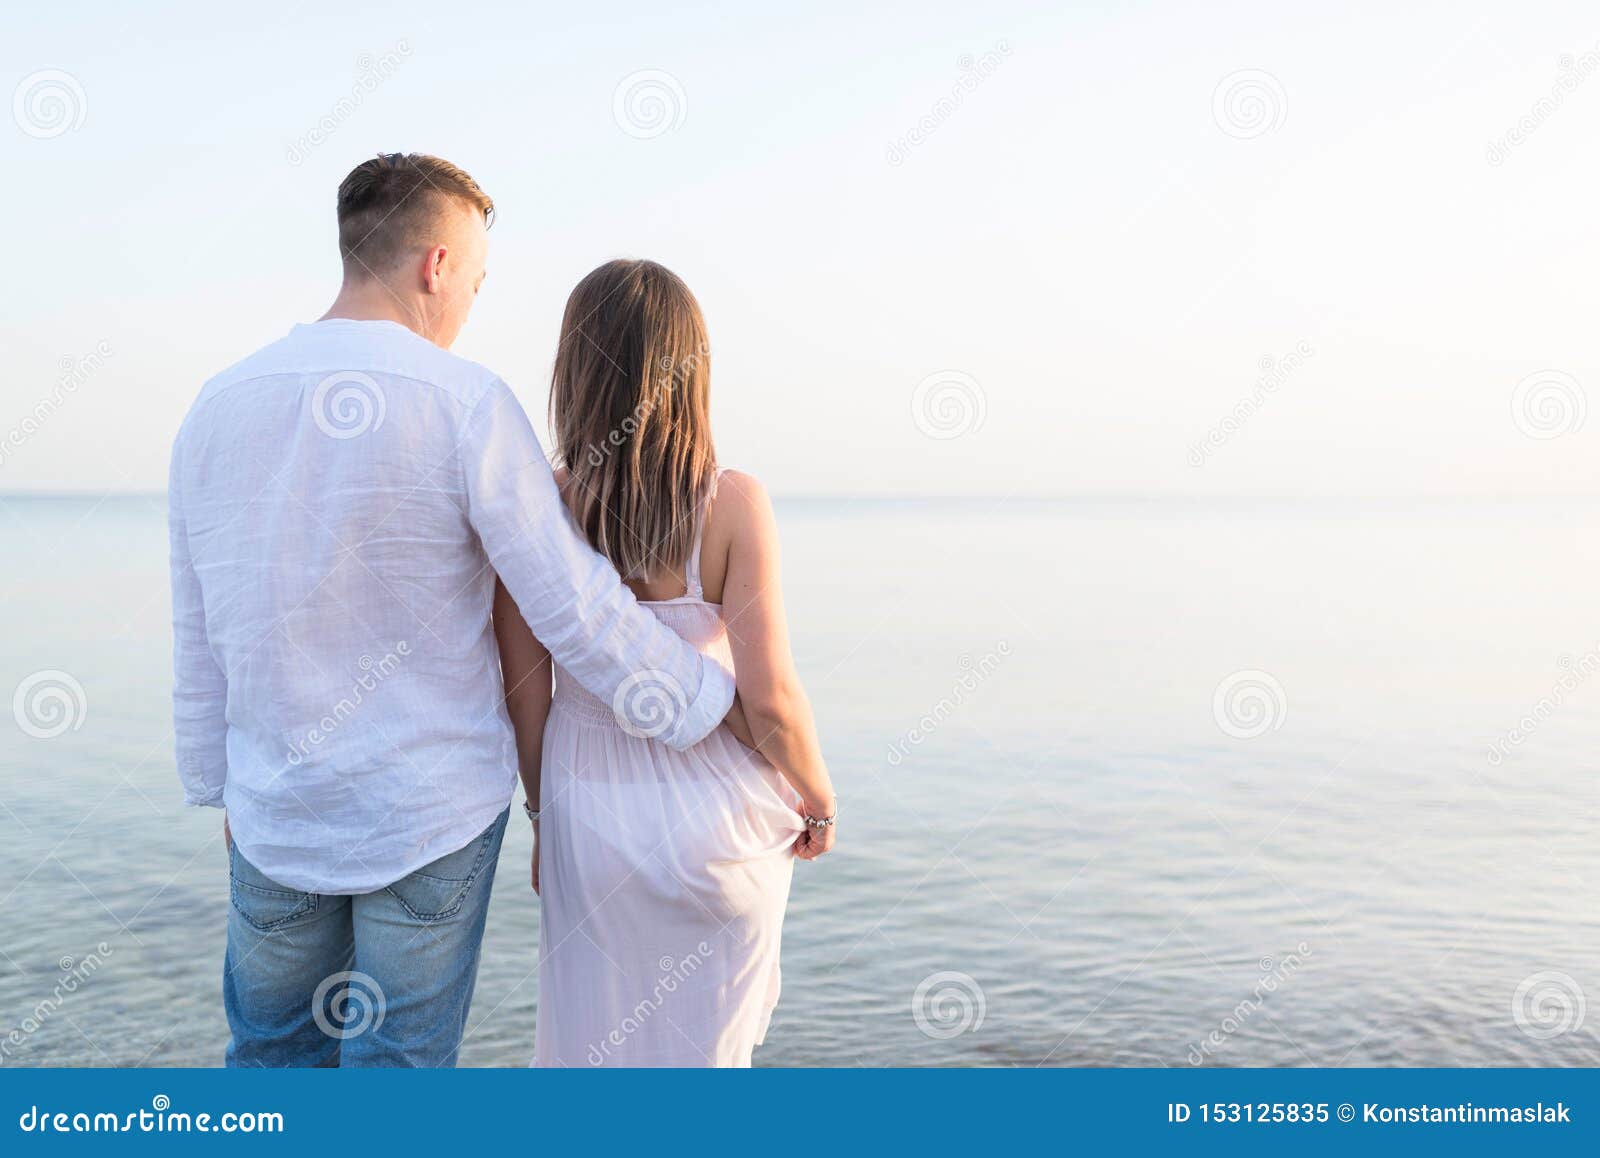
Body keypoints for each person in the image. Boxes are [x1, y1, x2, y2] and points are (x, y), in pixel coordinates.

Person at [168, 154, 736, 1067]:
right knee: (399, 1073)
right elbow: (575, 611)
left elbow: (195, 626)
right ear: (435, 264)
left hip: (274, 808)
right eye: (476, 275)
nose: (472, 297)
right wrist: (707, 704)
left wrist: (213, 781)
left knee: (270, 1064)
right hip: (427, 817)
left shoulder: (216, 405)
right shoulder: (466, 402)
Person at [494, 259, 837, 1067]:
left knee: (594, 1060)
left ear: (574, 370)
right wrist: (820, 802)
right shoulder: (732, 506)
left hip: (591, 818)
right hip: (717, 827)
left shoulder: (539, 512)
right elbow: (774, 701)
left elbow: (525, 696)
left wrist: (547, 821)